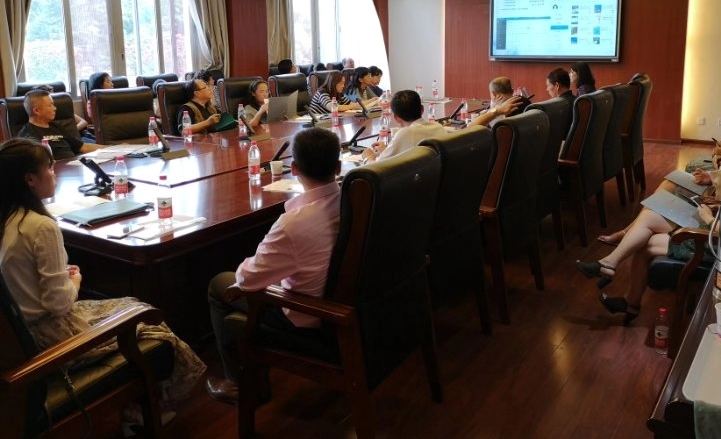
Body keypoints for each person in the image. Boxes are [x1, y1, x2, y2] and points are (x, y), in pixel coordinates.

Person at [0, 138, 206, 417]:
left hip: (22, 337)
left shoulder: (8, 220)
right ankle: (152, 409)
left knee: (131, 303)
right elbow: (58, 304)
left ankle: (139, 406)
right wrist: (74, 282)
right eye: (48, 168)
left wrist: (61, 276)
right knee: (149, 318)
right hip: (54, 338)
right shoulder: (41, 226)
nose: (54, 173)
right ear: (30, 180)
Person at [205, 127, 342, 404]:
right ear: (338, 167)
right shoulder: (353, 198)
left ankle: (242, 385)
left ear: (294, 168)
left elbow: (246, 281)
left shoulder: (293, 224)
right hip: (342, 302)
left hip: (306, 316)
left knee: (220, 285)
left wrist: (256, 261)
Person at [576, 126, 721, 324]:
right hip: (713, 233)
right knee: (647, 229)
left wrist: (708, 217)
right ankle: (620, 284)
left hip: (713, 245)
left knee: (647, 229)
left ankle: (616, 276)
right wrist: (717, 206)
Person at [362, 90, 448, 162]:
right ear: (422, 109)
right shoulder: (438, 127)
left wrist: (368, 157)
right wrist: (386, 151)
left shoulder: (406, 133)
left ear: (396, 117)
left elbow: (378, 167)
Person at [18, 89, 102, 160]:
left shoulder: (56, 126)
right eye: (50, 105)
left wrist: (109, 148)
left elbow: (84, 147)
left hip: (74, 166)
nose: (55, 108)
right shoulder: (27, 136)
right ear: (37, 110)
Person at [545, 67, 576, 137]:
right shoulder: (576, 100)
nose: (547, 89)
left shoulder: (556, 107)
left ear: (557, 86)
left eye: (548, 85)